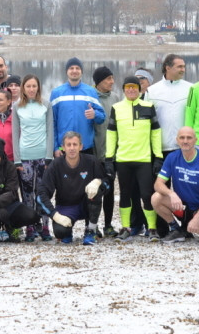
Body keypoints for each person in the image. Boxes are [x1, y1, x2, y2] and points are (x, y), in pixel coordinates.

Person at [106, 75, 163, 241]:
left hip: (144, 159)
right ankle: (126, 228)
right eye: (128, 87)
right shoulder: (116, 108)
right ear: (123, 89)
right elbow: (111, 134)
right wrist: (109, 158)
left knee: (146, 194)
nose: (131, 90)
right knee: (125, 194)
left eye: (134, 87)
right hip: (123, 160)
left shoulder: (148, 106)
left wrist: (158, 156)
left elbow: (156, 133)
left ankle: (151, 228)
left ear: (140, 89)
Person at [36, 131, 108, 245]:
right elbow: (41, 194)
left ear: (81, 146)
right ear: (63, 147)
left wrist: (98, 181)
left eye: (75, 144)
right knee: (60, 232)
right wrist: (55, 215)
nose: (72, 148)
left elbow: (107, 182)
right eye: (68, 145)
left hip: (86, 204)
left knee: (96, 191)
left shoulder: (91, 161)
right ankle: (67, 231)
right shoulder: (55, 165)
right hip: (66, 206)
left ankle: (91, 230)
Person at [151, 127, 199, 243]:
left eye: (189, 138)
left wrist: (197, 218)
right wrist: (171, 193)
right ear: (177, 140)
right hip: (184, 206)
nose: (185, 141)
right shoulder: (172, 157)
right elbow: (158, 184)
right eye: (182, 138)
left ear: (195, 140)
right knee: (156, 198)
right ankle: (177, 229)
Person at [11, 74, 55, 241]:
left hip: (43, 156)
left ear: (38, 87)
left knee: (42, 193)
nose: (31, 89)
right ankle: (30, 227)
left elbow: (50, 130)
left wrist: (49, 156)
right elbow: (15, 133)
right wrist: (17, 159)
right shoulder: (17, 106)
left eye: (34, 86)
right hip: (25, 157)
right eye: (28, 86)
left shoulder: (46, 105)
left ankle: (44, 226)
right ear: (23, 88)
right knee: (27, 195)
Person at [50, 57, 105, 154]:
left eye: (77, 68)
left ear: (81, 71)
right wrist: (55, 148)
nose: (74, 71)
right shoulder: (57, 93)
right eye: (71, 68)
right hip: (64, 148)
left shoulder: (91, 91)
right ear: (67, 71)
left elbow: (102, 118)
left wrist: (95, 114)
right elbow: (52, 122)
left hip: (85, 147)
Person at [146, 54, 192, 157]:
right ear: (168, 68)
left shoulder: (191, 89)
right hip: (159, 149)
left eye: (184, 66)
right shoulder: (152, 91)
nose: (183, 69)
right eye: (179, 67)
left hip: (184, 148)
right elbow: (146, 121)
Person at [91, 65, 118, 236]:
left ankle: (108, 224)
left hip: (111, 154)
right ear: (99, 82)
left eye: (112, 78)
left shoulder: (115, 98)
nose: (112, 82)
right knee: (93, 191)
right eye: (108, 79)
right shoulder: (90, 96)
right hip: (93, 152)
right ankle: (92, 225)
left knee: (109, 190)